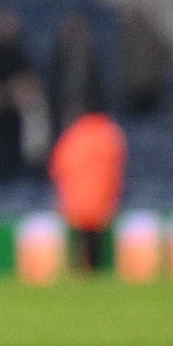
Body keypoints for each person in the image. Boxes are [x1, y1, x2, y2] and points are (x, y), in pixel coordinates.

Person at [48, 110, 126, 275]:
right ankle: (93, 270)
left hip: (76, 197)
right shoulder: (109, 135)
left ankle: (81, 269)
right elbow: (116, 168)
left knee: (81, 237)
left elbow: (58, 166)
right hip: (101, 196)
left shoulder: (73, 136)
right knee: (95, 238)